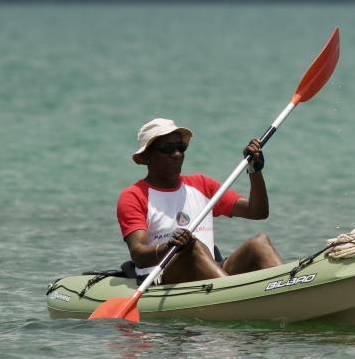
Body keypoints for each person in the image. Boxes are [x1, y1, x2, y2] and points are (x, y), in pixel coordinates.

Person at [116, 118, 283, 285]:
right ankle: (233, 294)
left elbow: (257, 211)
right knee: (191, 246)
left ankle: (287, 286)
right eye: (167, 149)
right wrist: (170, 246)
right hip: (164, 278)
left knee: (258, 242)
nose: (177, 155)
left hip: (211, 271)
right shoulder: (134, 196)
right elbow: (138, 255)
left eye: (181, 148)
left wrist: (254, 170)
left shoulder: (201, 185)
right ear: (146, 157)